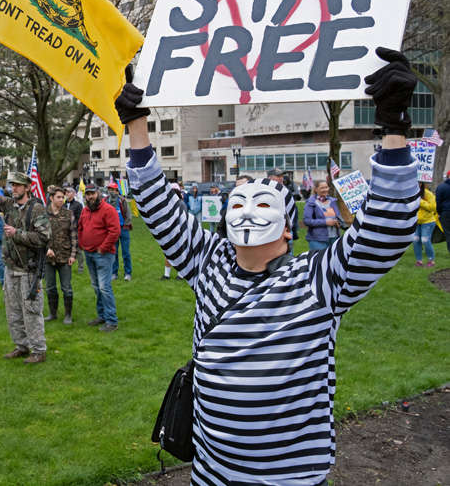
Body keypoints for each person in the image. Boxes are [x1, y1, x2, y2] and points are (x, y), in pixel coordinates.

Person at [114, 46, 419, 485]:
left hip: (289, 478)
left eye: (262, 203)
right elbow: (159, 209)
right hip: (210, 473)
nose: (246, 211)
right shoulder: (208, 265)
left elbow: (385, 231)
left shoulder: (319, 279)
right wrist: (138, 127)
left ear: (287, 227)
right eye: (237, 203)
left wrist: (393, 127)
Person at [0, 166, 50, 363]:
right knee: (13, 309)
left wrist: (17, 234)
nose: (13, 188)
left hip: (29, 270)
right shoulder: (8, 205)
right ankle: (21, 346)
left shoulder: (37, 208)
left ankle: (38, 350)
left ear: (26, 188)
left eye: (17, 185)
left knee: (31, 309)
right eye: (12, 185)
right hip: (10, 267)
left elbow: (44, 237)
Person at [78, 183, 121, 331]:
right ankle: (102, 315)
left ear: (98, 193)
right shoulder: (85, 211)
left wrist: (103, 248)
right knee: (96, 287)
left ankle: (112, 320)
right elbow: (80, 228)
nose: (89, 196)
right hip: (89, 253)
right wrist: (82, 243)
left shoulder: (108, 210)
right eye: (87, 194)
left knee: (104, 287)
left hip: (103, 254)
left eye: (92, 193)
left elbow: (115, 231)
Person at [43, 186, 77, 324]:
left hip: (65, 256)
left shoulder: (69, 214)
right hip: (48, 258)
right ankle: (53, 313)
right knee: (50, 287)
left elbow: (74, 236)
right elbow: (38, 235)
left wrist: (73, 255)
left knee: (66, 288)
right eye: (58, 197)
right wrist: (46, 248)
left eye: (63, 197)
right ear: (51, 198)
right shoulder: (43, 214)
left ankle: (68, 315)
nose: (61, 200)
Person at [304, 180, 343, 251]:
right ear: (316, 189)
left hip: (334, 238)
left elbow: (338, 217)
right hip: (318, 240)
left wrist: (339, 223)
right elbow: (307, 221)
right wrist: (325, 222)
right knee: (319, 261)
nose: (325, 190)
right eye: (322, 188)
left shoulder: (333, 201)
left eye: (326, 187)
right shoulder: (311, 203)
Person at [106, 182, 133, 281]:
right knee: (114, 252)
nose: (111, 192)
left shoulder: (122, 201)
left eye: (113, 190)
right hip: (112, 230)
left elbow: (128, 214)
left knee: (126, 252)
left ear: (117, 191)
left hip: (123, 229)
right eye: (109, 189)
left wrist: (126, 225)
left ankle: (128, 273)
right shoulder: (106, 201)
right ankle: (114, 273)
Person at [414, 182, 437, 267]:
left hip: (428, 221)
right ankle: (419, 261)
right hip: (416, 222)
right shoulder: (412, 194)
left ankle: (431, 260)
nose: (417, 184)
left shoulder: (428, 194)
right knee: (416, 240)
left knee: (425, 240)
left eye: (419, 183)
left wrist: (420, 202)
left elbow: (433, 207)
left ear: (422, 184)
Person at [64, 186, 84, 272]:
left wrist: (74, 226)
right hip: (64, 229)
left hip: (75, 230)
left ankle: (81, 267)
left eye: (69, 192)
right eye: (66, 192)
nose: (67, 194)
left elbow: (80, 218)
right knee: (66, 247)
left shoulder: (78, 205)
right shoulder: (63, 204)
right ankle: (67, 264)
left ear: (73, 194)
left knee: (77, 249)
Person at [435, 170, 450, 254]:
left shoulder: (441, 187)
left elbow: (438, 201)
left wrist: (439, 212)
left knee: (448, 232)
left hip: (446, 212)